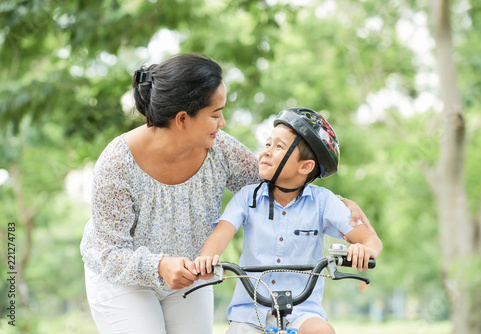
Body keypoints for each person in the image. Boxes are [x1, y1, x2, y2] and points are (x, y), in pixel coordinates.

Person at [80, 53, 375, 334]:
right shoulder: (118, 163)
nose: (222, 123)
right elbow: (110, 253)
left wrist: (337, 204)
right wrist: (159, 264)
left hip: (189, 274)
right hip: (124, 278)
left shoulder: (220, 149)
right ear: (183, 119)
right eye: (215, 114)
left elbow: (277, 186)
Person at [194, 108, 383, 334]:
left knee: (322, 331)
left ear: (305, 166)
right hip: (249, 313)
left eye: (279, 147)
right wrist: (206, 260)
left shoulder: (323, 202)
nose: (265, 152)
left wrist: (364, 249)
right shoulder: (247, 197)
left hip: (302, 312)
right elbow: (220, 234)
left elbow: (371, 241)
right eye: (267, 144)